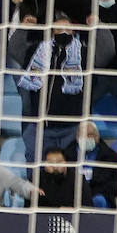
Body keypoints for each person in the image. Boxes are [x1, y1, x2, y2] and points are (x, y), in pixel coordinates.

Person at [18, 16, 90, 161]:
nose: (63, 32)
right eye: (59, 29)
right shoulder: (36, 50)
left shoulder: (84, 53)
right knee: (35, 166)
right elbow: (14, 50)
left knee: (69, 169)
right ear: (51, 31)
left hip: (71, 127)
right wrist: (22, 30)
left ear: (74, 31)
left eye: (67, 29)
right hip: (40, 126)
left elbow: (108, 52)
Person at [78, 120, 117, 207]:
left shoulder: (112, 158)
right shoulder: (68, 155)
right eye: (83, 135)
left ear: (97, 137)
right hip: (74, 194)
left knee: (99, 200)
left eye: (90, 135)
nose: (86, 138)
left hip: (101, 195)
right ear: (77, 137)